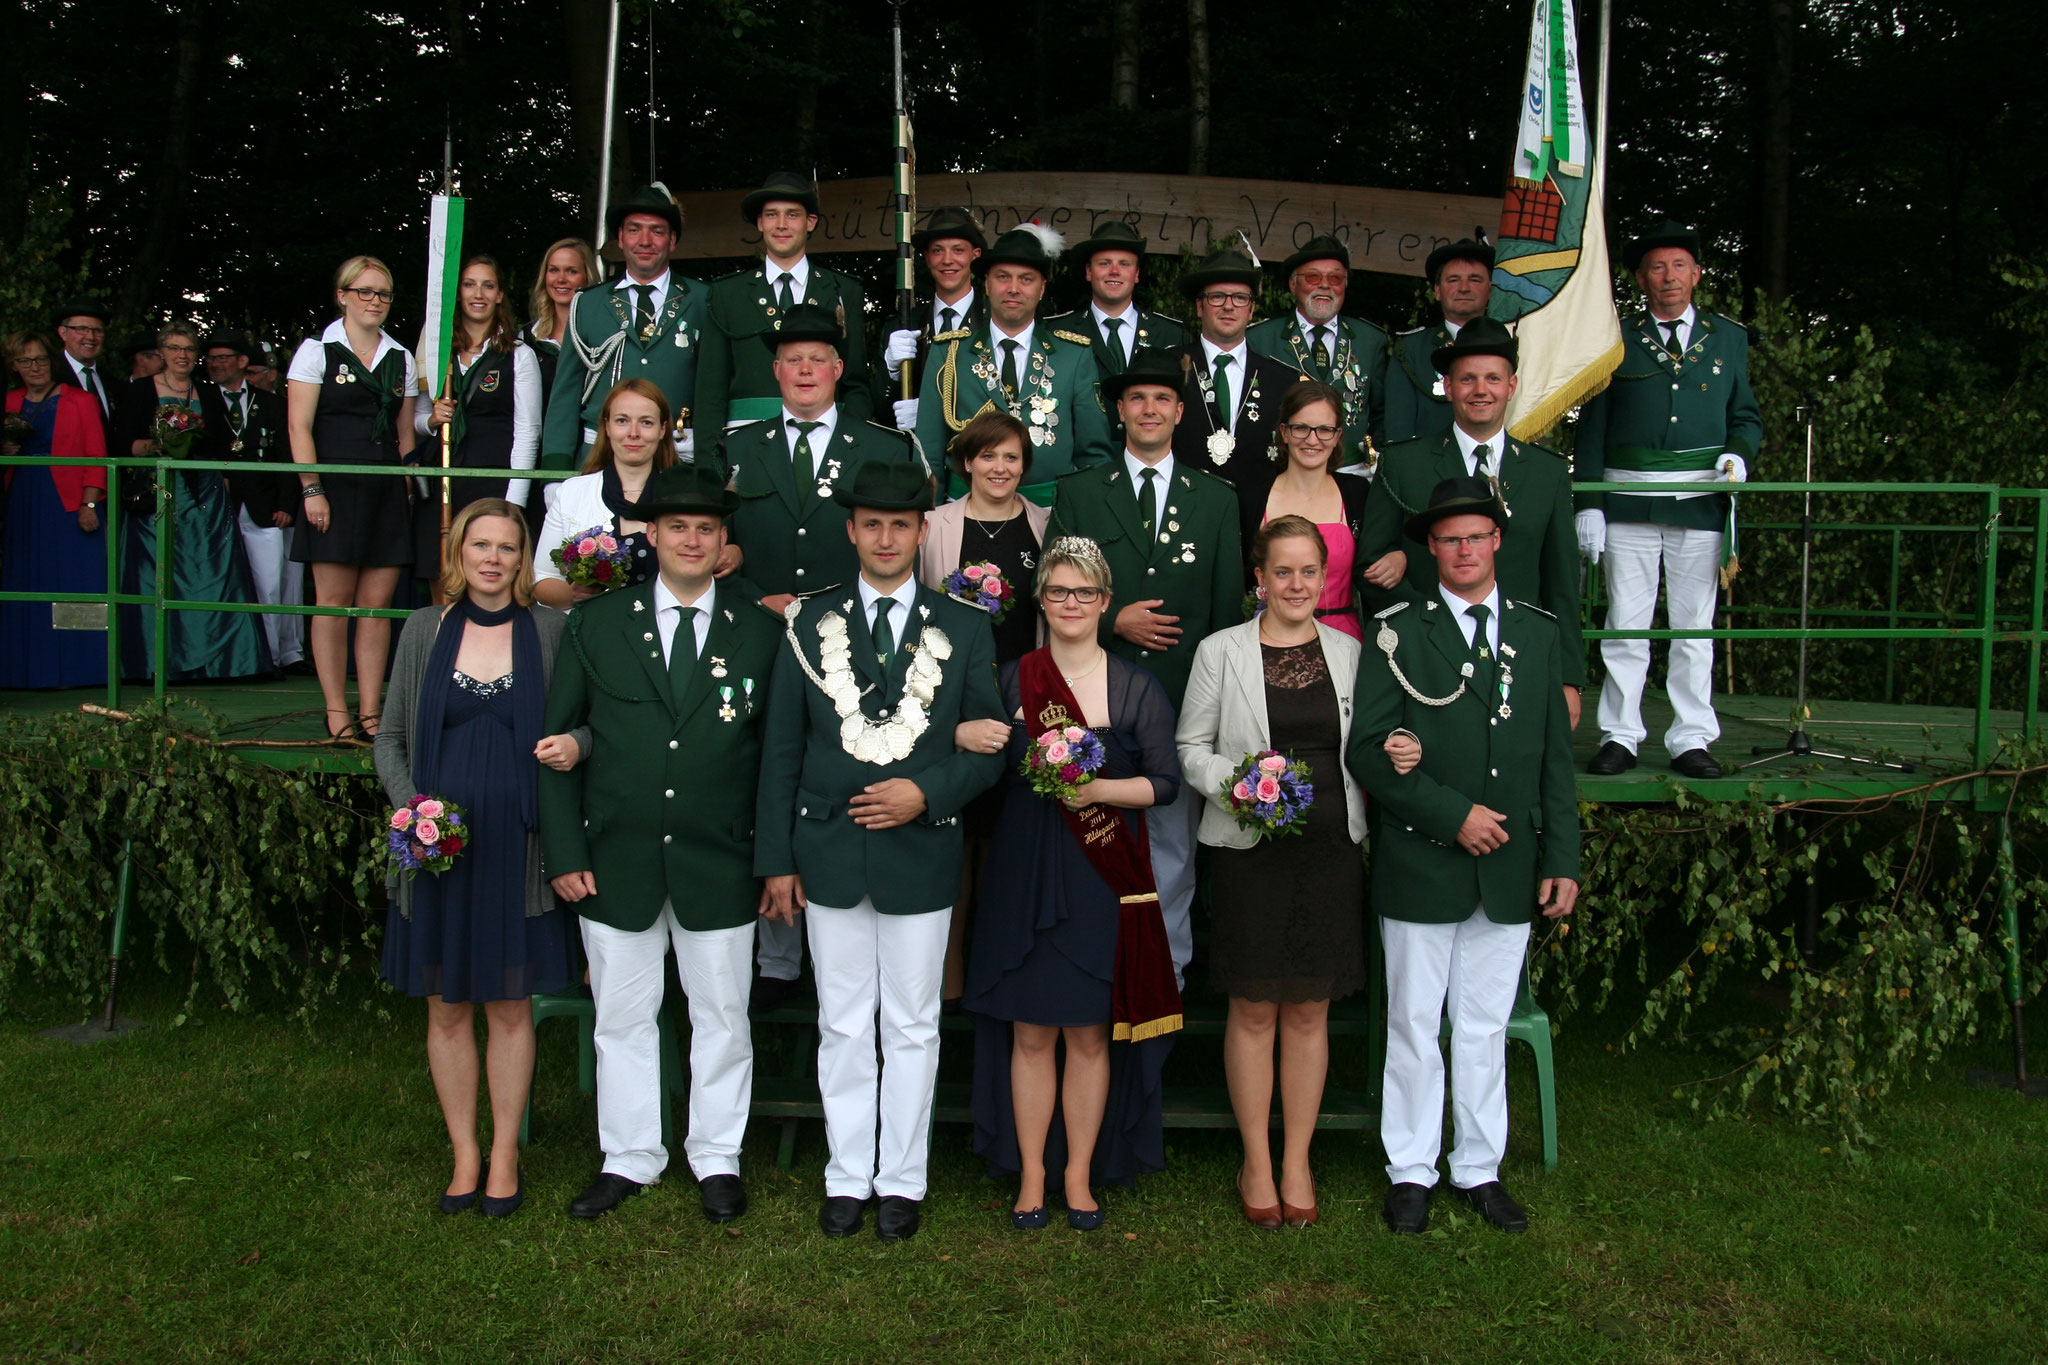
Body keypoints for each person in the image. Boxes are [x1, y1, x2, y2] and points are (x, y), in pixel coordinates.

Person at [755, 461, 1006, 1243]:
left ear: (922, 530)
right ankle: (845, 1175)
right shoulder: (808, 623)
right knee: (841, 1020)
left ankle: (900, 1178)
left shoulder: (963, 625)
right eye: (872, 523)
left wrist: (925, 791)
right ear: (851, 530)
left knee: (913, 1022)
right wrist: (777, 860)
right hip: (826, 848)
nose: (887, 537)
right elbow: (782, 751)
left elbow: (990, 745)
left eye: (901, 524)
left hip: (920, 852)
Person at [540, 465, 783, 1224]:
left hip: (720, 855)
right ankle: (630, 1156)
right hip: (617, 853)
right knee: (622, 1015)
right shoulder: (597, 622)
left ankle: (716, 1156)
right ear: (650, 535)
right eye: (677, 526)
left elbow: (777, 760)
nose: (690, 539)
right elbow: (557, 742)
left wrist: (773, 858)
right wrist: (565, 851)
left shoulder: (761, 630)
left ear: (722, 542)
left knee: (721, 1013)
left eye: (705, 529)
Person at [1346, 476, 1580, 1236]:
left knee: (1481, 1024)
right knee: (1415, 1021)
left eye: (1476, 536)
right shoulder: (1399, 631)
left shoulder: (1538, 633)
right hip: (1424, 859)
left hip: (1511, 861)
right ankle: (1410, 1168)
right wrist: (1456, 817)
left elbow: (1553, 763)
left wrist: (1564, 857)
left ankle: (1478, 1165)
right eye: (1449, 539)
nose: (1464, 549)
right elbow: (1370, 752)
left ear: (1498, 542)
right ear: (1431, 549)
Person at [1179, 515, 1399, 1228]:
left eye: (1310, 571)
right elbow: (1190, 747)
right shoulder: (1221, 651)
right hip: (1251, 851)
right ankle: (1255, 1158)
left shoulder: (1350, 652)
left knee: (1309, 1007)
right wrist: (1242, 782)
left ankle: (1297, 1156)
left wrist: (1401, 749)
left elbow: (1367, 743)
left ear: (1324, 576)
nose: (1297, 584)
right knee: (1252, 1007)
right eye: (1283, 571)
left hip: (1329, 849)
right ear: (1260, 577)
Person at [964, 535, 1182, 1230]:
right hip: (1024, 870)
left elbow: (1168, 783)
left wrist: (1101, 788)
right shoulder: (1011, 678)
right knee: (1030, 1033)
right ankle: (1032, 1173)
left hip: (1101, 872)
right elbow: (984, 772)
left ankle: (1079, 1174)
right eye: (1057, 591)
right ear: (1042, 599)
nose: (1070, 603)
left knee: (1089, 1035)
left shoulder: (1135, 685)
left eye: (1083, 592)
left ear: (1104, 601)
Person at [375, 498, 583, 1219]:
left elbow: (586, 720)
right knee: (447, 1006)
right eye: (480, 544)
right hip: (440, 856)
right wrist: (416, 817)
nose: (492, 558)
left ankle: (504, 1152)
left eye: (506, 547)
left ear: (524, 558)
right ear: (458, 553)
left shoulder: (552, 630)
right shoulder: (423, 632)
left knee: (509, 1004)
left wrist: (575, 745)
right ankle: (464, 1148)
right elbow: (389, 739)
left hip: (519, 850)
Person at [1047, 347, 1243, 982]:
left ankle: (1167, 971)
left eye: (1162, 399)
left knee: (1171, 850)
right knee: (1090, 842)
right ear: (1120, 411)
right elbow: (1050, 594)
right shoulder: (1079, 493)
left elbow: (1223, 623)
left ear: (1181, 411)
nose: (1150, 409)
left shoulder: (1216, 500)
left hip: (1182, 705)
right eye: (1137, 398)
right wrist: (1112, 619)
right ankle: (1096, 967)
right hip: (1091, 701)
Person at [1577, 221, 1761, 780]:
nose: (1669, 276)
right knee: (1626, 625)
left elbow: (1745, 414)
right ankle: (1621, 734)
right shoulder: (1615, 335)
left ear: (1698, 274)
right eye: (1657, 267)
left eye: (1680, 265)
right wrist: (1589, 498)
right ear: (1640, 278)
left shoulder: (1728, 337)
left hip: (1699, 498)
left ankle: (1691, 737)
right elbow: (1593, 421)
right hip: (1628, 496)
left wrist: (1737, 453)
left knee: (1693, 628)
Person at [1358, 319, 1586, 723]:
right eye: (1468, 379)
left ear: (1511, 386)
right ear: (1448, 387)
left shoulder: (1547, 473)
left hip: (1522, 661)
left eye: (1493, 378)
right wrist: (1428, 624)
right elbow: (1371, 565)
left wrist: (1568, 679)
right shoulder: (1403, 464)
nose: (1481, 390)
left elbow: (1562, 585)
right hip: (1427, 659)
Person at [917, 409, 1051, 1006]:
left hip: (1025, 698)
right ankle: (948, 971)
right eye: (988, 456)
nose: (1000, 468)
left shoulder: (1047, 525)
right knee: (956, 838)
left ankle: (1002, 964)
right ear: (966, 461)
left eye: (1012, 457)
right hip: (952, 701)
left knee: (1010, 839)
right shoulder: (935, 526)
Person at [710, 301, 918, 636]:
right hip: (758, 627)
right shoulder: (737, 448)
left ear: (837, 369)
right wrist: (757, 600)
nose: (805, 370)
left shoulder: (885, 449)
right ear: (777, 369)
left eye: (817, 360)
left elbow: (904, 553)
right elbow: (716, 549)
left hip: (854, 629)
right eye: (794, 361)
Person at [287, 254, 421, 738]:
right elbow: (299, 428)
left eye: (383, 293)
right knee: (333, 602)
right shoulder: (315, 351)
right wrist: (312, 489)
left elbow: (405, 434)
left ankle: (371, 712)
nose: (375, 301)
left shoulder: (400, 356)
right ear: (342, 295)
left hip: (385, 490)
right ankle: (336, 712)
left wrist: (410, 486)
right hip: (333, 490)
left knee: (375, 606)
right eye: (364, 291)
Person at [114, 322, 271, 682]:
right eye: (174, 348)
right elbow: (123, 444)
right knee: (157, 574)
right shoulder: (139, 391)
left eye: (188, 349)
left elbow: (220, 447)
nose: (182, 355)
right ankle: (157, 661)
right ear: (162, 352)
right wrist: (158, 445)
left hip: (206, 495)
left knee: (211, 570)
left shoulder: (210, 393)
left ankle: (224, 661)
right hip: (157, 493)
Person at [913, 225, 1113, 502]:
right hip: (965, 510)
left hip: (1049, 512)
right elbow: (929, 454)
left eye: (1026, 279)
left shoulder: (1073, 355)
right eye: (1003, 277)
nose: (1014, 289)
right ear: (986, 284)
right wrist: (930, 522)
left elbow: (1093, 456)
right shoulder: (949, 352)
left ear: (1042, 289)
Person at [540, 184, 707, 477]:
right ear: (619, 238)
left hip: (677, 457)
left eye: (657, 231)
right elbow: (565, 393)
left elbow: (716, 385)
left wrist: (705, 443)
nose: (645, 240)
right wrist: (556, 473)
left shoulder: (703, 299)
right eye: (634, 230)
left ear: (672, 241)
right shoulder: (588, 303)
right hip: (598, 458)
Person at [696, 172, 873, 438]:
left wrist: (852, 446)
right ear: (759, 222)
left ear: (810, 222)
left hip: (824, 438)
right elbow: (710, 392)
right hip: (746, 441)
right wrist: (711, 470)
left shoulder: (842, 290)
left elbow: (855, 383)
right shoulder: (727, 294)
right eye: (771, 214)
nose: (781, 224)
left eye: (792, 215)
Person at [414, 254, 543, 573]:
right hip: (444, 479)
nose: (478, 294)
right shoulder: (437, 351)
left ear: (500, 295)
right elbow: (415, 421)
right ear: (459, 293)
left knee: (488, 580)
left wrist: (514, 503)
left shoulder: (518, 355)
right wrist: (432, 420)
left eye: (488, 286)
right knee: (441, 577)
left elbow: (528, 432)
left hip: (493, 484)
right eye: (470, 285)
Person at [0, 329, 108, 689]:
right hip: (21, 502)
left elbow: (97, 458)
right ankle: (22, 672)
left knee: (75, 583)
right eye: (25, 360)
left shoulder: (81, 401)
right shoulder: (9, 401)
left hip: (66, 503)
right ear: (15, 366)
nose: (35, 366)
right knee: (24, 584)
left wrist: (89, 503)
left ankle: (82, 671)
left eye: (41, 359)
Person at [200, 331, 304, 673]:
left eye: (223, 358)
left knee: (271, 583)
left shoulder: (272, 402)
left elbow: (288, 456)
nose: (215, 364)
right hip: (214, 507)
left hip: (265, 507)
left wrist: (288, 504)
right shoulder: (199, 398)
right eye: (211, 359)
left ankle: (272, 657)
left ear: (243, 362)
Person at [1171, 247, 1303, 509]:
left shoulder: (1283, 380)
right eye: (1217, 297)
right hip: (1182, 511)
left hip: (1259, 519)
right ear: (1200, 306)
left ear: (1252, 309)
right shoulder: (1169, 368)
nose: (1229, 306)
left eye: (1240, 298)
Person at [1246, 235, 1389, 472]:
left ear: (1345, 285)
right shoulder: (1259, 338)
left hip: (1352, 472)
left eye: (1335, 278)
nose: (1325, 285)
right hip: (1280, 471)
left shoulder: (1370, 340)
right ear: (1293, 285)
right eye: (1313, 277)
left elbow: (1382, 415)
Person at [532, 379, 675, 611]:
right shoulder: (572, 492)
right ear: (607, 427)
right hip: (591, 631)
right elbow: (541, 578)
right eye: (622, 421)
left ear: (662, 430)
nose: (633, 433)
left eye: (646, 423)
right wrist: (571, 595)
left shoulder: (683, 495)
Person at [1252, 380, 1371, 633]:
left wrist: (1397, 556)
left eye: (1324, 429)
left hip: (1342, 634)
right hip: (1270, 633)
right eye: (1301, 428)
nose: (1312, 440)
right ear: (1284, 432)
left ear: (1338, 435)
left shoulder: (1357, 493)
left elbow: (1376, 557)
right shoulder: (1254, 495)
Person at [880, 205, 987, 423]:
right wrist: (892, 372)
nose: (947, 260)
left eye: (958, 250)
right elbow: (880, 410)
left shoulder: (996, 320)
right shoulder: (903, 325)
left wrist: (931, 412)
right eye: (938, 250)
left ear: (975, 255)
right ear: (927, 257)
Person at [1042, 221, 1186, 382]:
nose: (1115, 271)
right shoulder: (1056, 331)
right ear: (1089, 272)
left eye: (1124, 264)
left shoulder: (1171, 334)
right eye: (1104, 263)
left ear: (1137, 274)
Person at [1383, 239, 1495, 446]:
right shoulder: (1411, 349)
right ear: (1437, 290)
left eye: (1475, 280)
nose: (1463, 288)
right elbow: (1398, 431)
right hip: (1428, 473)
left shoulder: (1510, 347)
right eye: (1453, 280)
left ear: (1489, 290)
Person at [523, 237, 600, 404]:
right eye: (553, 270)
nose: (561, 279)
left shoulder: (604, 337)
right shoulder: (526, 339)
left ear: (588, 276)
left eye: (572, 271)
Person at [51, 296, 114, 452]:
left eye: (97, 330)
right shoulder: (49, 378)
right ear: (63, 333)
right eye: (82, 329)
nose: (90, 337)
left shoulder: (114, 383)